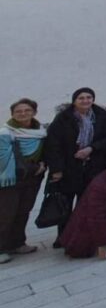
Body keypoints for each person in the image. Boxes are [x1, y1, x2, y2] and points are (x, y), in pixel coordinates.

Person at [44, 87, 106, 243]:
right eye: (81, 98)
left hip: (92, 166)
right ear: (74, 101)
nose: (85, 100)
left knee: (86, 204)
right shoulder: (63, 118)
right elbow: (53, 145)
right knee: (65, 204)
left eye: (89, 97)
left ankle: (81, 236)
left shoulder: (101, 115)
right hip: (68, 168)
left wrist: (91, 148)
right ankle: (62, 237)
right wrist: (56, 169)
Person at [0, 99, 46, 263]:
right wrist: (35, 168)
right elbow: (4, 158)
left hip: (32, 179)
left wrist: (43, 164)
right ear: (12, 114)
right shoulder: (5, 133)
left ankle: (18, 243)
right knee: (6, 213)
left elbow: (45, 151)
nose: (23, 113)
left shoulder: (40, 131)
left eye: (27, 110)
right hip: (9, 180)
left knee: (23, 211)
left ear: (34, 112)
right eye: (19, 111)